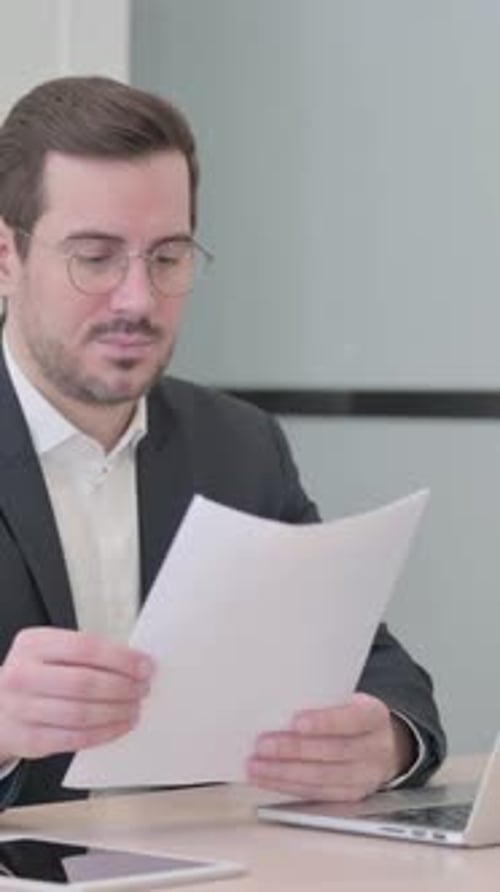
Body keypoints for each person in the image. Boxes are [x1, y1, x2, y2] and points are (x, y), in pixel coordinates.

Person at [0, 75, 446, 809]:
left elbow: (376, 668)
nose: (138, 299)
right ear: (7, 258)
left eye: (168, 257)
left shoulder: (239, 445)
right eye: (95, 256)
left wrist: (384, 739)